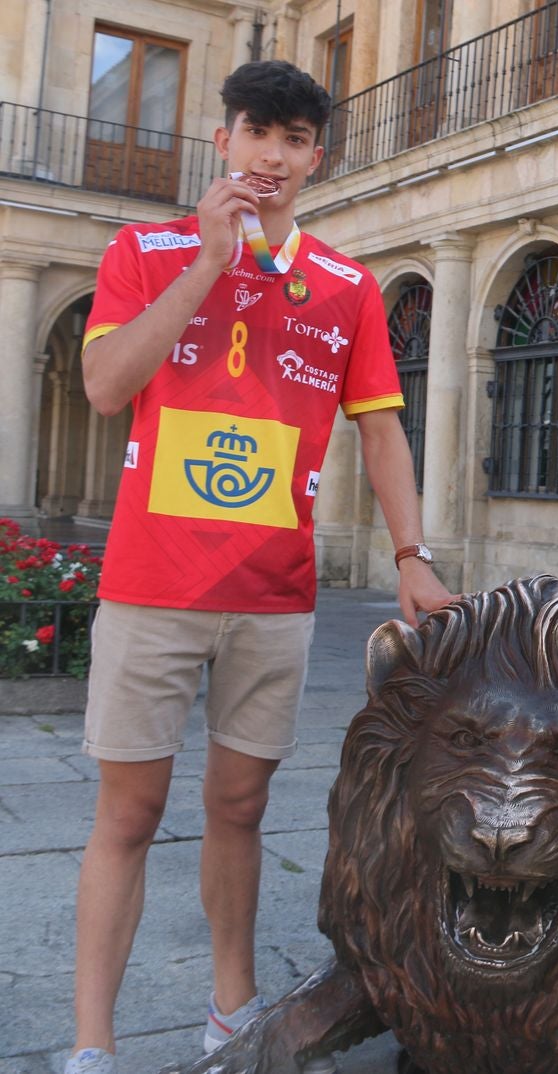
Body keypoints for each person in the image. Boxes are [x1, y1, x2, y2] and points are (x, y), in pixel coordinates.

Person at [65, 61, 451, 1074]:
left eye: (292, 139)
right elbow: (106, 385)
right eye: (255, 133)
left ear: (314, 156)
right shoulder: (145, 251)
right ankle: (93, 1041)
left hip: (271, 599)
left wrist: (412, 555)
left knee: (240, 809)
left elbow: (381, 433)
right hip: (153, 586)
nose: (271, 155)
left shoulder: (346, 287)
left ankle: (229, 1006)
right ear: (224, 140)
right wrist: (206, 262)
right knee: (129, 814)